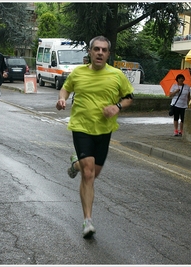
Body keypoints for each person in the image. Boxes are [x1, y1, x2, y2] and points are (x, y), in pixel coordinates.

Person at [55, 36, 134, 238]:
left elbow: (128, 98)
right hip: (81, 127)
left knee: (93, 173)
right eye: (96, 49)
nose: (100, 52)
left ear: (108, 54)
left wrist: (116, 108)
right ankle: (87, 221)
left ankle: (75, 165)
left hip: (104, 131)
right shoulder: (78, 73)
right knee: (88, 175)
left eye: (104, 50)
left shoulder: (117, 75)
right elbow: (65, 88)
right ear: (90, 52)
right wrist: (62, 99)